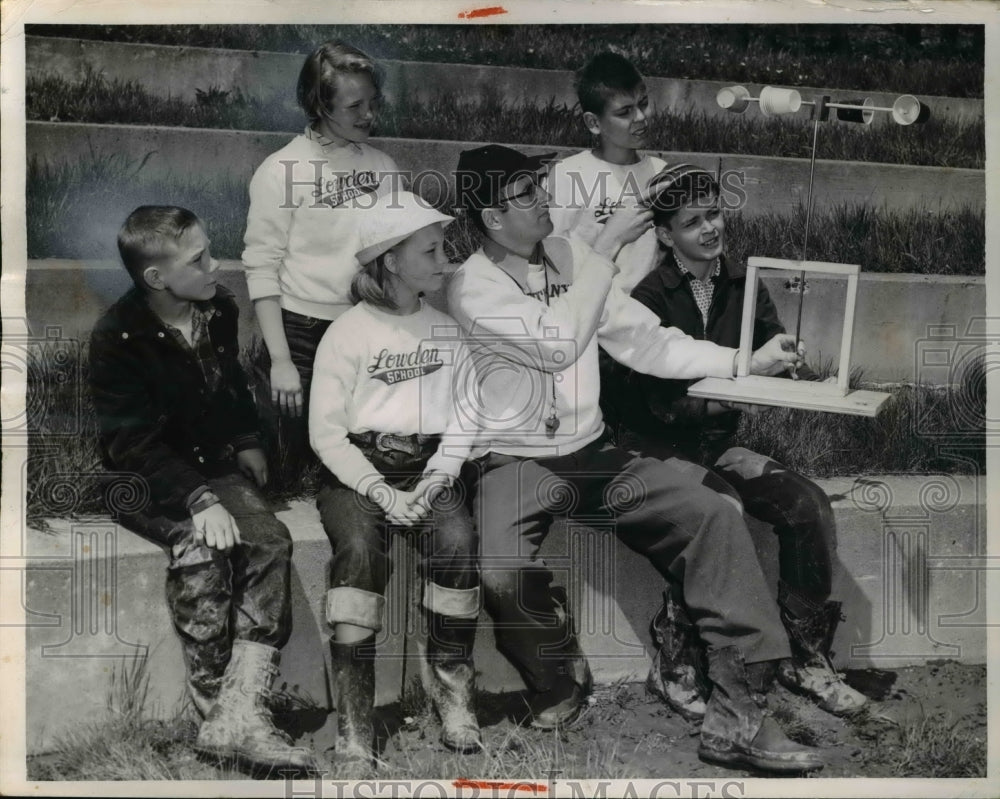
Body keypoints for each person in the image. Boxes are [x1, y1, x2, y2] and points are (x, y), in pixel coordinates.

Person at [448, 144, 827, 773]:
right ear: (491, 217)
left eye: (541, 185)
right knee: (501, 571)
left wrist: (742, 362)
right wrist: (602, 253)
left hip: (593, 450)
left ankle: (739, 717)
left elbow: (646, 341)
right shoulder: (471, 286)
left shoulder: (570, 255)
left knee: (713, 514)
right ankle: (558, 674)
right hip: (514, 459)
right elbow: (561, 346)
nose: (545, 199)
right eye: (526, 194)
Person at [604, 164, 868, 717]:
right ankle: (674, 656)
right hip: (654, 446)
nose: (709, 228)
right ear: (664, 234)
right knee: (713, 508)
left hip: (717, 445)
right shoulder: (646, 297)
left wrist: (785, 363)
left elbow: (766, 352)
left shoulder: (743, 283)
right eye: (692, 220)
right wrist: (728, 395)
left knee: (807, 504)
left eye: (715, 214)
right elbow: (644, 404)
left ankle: (805, 655)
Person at [88, 206, 315, 773]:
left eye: (211, 251)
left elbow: (232, 383)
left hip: (209, 466)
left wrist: (245, 439)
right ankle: (216, 711)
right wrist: (200, 499)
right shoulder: (118, 336)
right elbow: (128, 444)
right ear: (157, 278)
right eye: (200, 259)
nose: (218, 265)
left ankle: (243, 706)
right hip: (140, 478)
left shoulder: (216, 310)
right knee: (200, 547)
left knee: (270, 540)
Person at [309, 192, 482, 777]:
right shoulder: (348, 333)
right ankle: (355, 725)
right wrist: (384, 495)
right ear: (390, 262)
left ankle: (452, 692)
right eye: (431, 250)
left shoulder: (446, 331)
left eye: (444, 247)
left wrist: (435, 480)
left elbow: (465, 420)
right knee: (358, 553)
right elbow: (326, 436)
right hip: (358, 470)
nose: (445, 259)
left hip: (430, 470)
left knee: (456, 543)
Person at [242, 40, 401, 459]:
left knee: (374, 450)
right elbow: (261, 266)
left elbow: (396, 255)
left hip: (366, 323)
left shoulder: (383, 167)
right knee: (283, 459)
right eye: (354, 106)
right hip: (301, 332)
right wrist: (281, 362)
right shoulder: (281, 170)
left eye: (373, 101)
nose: (369, 115)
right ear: (319, 105)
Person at [547, 51, 666, 294]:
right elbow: (551, 254)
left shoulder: (660, 172)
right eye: (625, 112)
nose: (641, 117)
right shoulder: (569, 174)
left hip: (647, 312)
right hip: (591, 309)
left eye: (643, 104)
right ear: (593, 123)